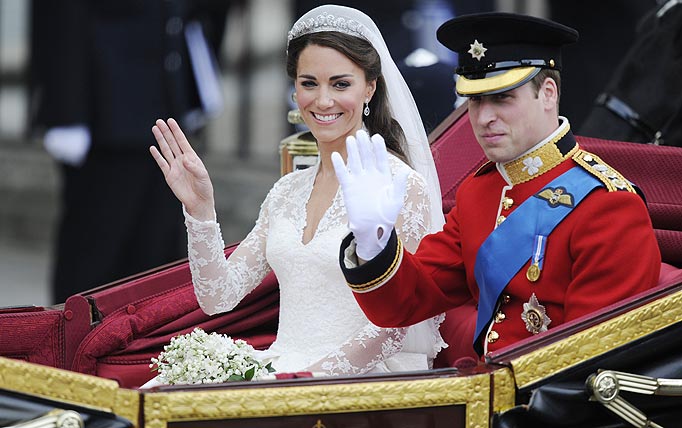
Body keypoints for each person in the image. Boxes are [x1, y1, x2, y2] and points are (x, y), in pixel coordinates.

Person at [332, 12, 662, 357]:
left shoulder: (608, 205)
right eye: (475, 100)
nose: (484, 118)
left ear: (548, 93)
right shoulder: (480, 191)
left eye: (502, 98)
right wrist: (373, 243)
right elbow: (405, 302)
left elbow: (591, 360)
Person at [149, 4, 447, 377]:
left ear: (370, 87)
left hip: (362, 379)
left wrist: (304, 381)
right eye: (309, 83)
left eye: (341, 84)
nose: (322, 101)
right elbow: (218, 297)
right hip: (283, 368)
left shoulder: (402, 185)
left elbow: (395, 324)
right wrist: (200, 210)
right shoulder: (287, 190)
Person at [30, 0, 229, 304]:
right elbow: (60, 15)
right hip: (103, 112)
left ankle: (143, 345)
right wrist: (66, 111)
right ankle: (73, 345)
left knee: (158, 253)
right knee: (95, 253)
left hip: (165, 97)